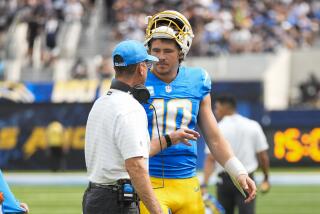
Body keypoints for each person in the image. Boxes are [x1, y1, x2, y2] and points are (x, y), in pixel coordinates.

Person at [140, 10, 256, 214]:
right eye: (155, 50)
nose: (160, 57)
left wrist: (238, 171)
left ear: (181, 52)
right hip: (149, 179)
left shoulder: (197, 80)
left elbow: (215, 138)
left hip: (188, 183)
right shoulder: (137, 81)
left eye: (167, 51)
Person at [82, 40, 200, 214]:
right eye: (148, 64)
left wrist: (171, 138)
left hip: (95, 197)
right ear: (141, 68)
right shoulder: (130, 107)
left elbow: (137, 152)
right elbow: (135, 165)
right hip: (117, 201)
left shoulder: (101, 102)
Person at [203, 94, 270, 214]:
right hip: (247, 178)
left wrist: (205, 184)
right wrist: (266, 177)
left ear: (225, 108)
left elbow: (210, 159)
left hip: (224, 180)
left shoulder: (218, 128)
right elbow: (263, 156)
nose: (215, 111)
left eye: (217, 107)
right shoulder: (253, 125)